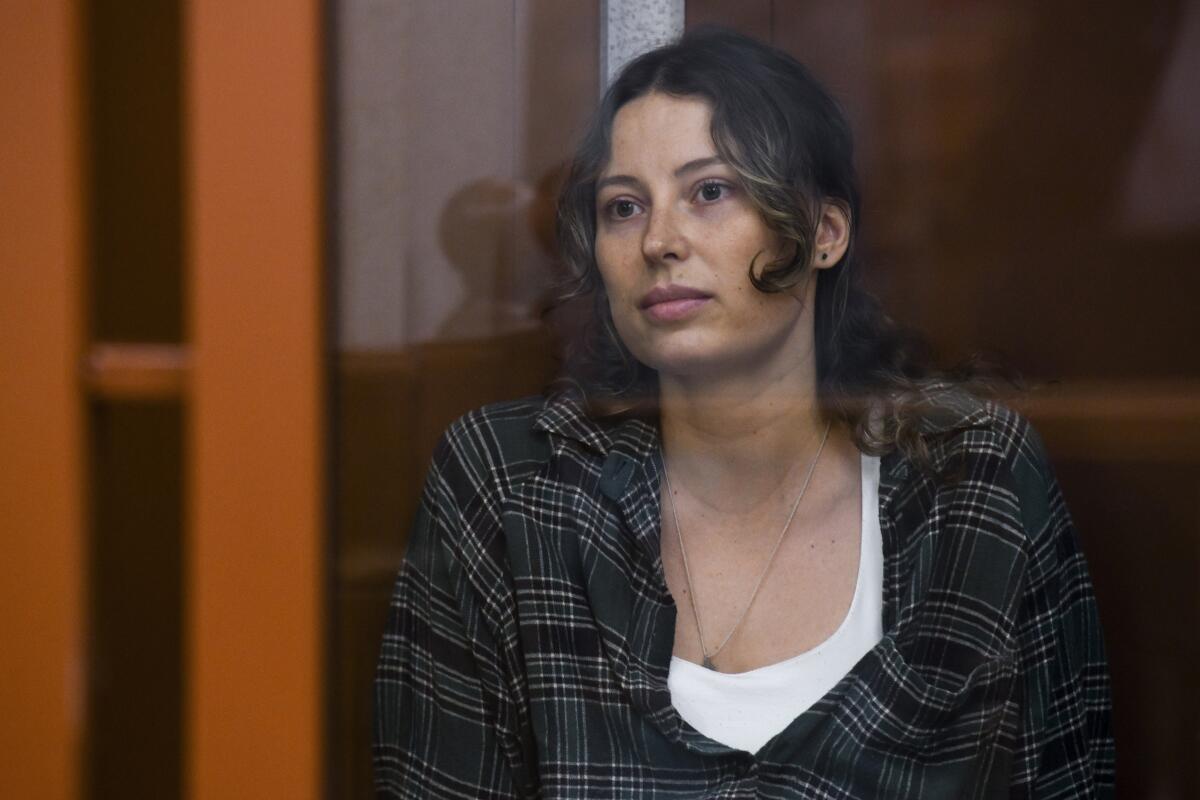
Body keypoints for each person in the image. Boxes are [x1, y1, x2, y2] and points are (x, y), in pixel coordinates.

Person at [374, 28, 1114, 798]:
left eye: (711, 191)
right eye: (623, 208)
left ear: (825, 231)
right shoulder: (510, 482)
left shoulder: (971, 479)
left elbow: (1066, 776)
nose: (660, 240)